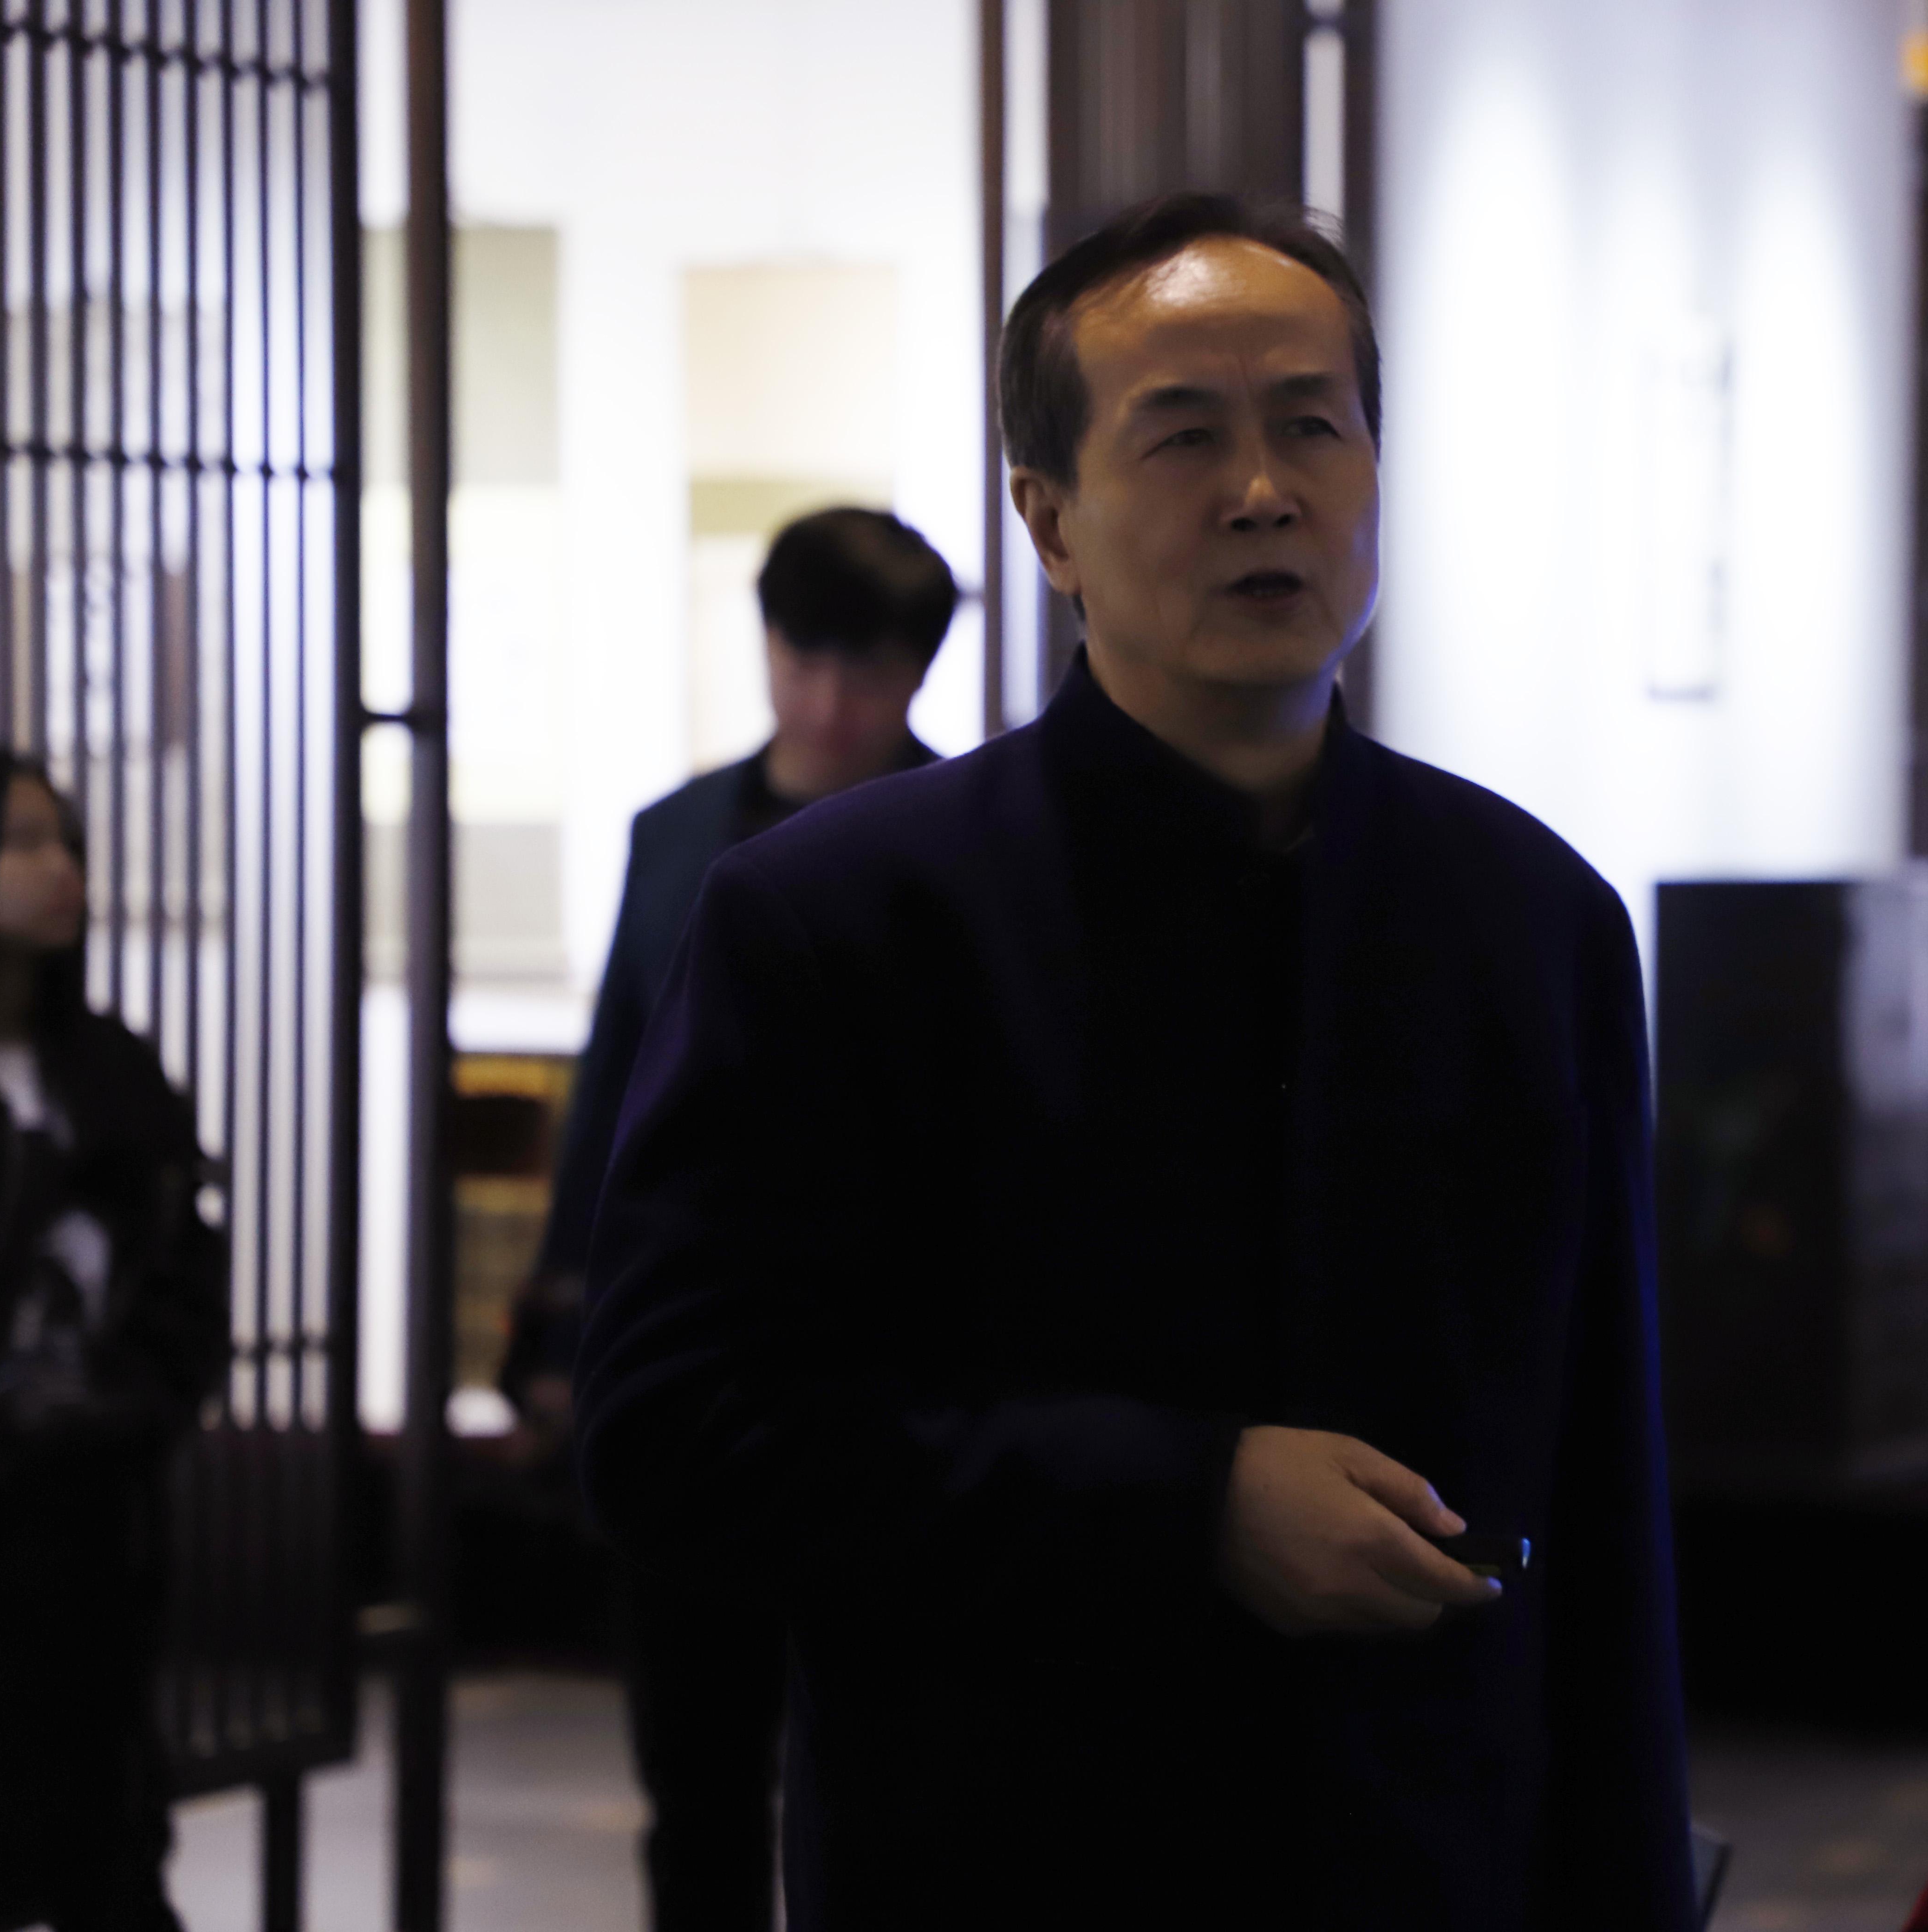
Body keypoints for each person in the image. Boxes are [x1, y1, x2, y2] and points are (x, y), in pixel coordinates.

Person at [577, 194, 1694, 1930]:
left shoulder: (1532, 918)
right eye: (1184, 436)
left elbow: (1601, 1499)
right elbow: (676, 1434)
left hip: (1430, 1862)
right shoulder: (840, 919)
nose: (1264, 491)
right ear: (1051, 521)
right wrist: (1188, 1503)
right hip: (1002, 1861)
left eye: (1313, 426)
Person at [504, 505, 959, 1932]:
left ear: (915, 673)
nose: (826, 704)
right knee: (694, 1765)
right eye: (802, 660)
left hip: (892, 1365)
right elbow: (615, 1084)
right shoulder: (677, 834)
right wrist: (562, 1320)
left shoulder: (964, 836)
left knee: (886, 1761)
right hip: (696, 1346)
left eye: (863, 672)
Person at [0, 751, 226, 1932]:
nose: (62, 871)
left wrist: (132, 1399)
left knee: (105, 1851)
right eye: (21, 842)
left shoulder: (111, 1071)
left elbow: (183, 1273)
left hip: (90, 1540)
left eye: (68, 843)